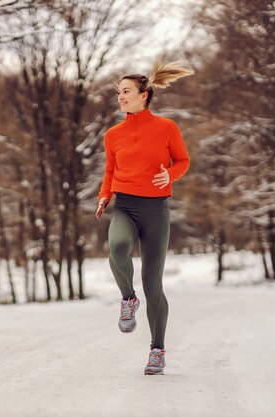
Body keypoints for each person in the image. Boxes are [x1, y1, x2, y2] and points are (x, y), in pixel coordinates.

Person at [95, 61, 194, 375]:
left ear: (144, 95)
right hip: (124, 205)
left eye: (126, 92)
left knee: (154, 284)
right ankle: (128, 299)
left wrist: (171, 176)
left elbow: (183, 160)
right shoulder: (113, 135)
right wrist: (104, 194)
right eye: (118, 93)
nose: (120, 97)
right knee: (117, 246)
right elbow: (110, 171)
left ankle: (157, 350)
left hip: (155, 211)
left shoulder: (167, 128)